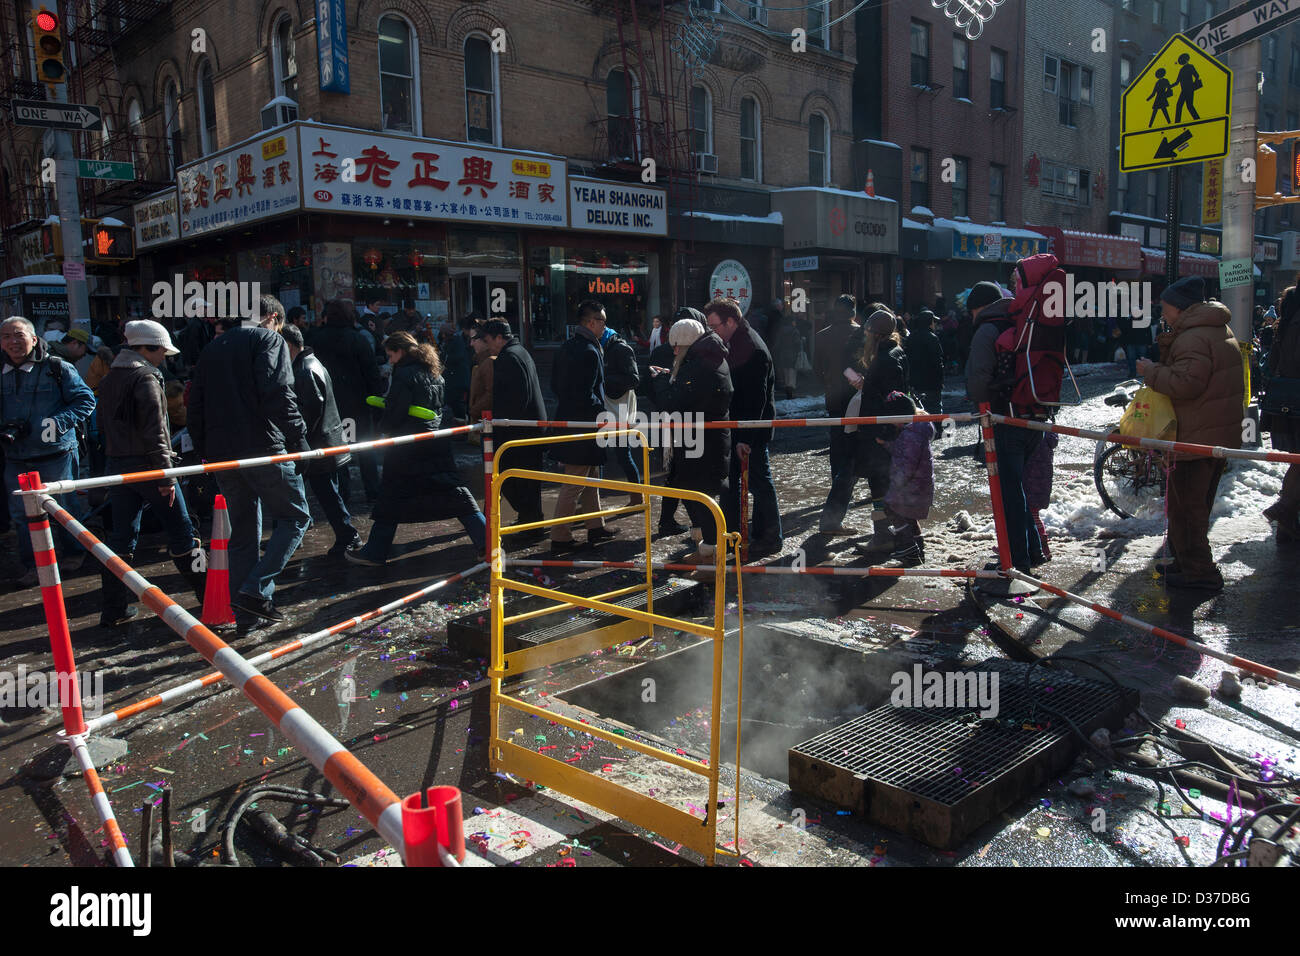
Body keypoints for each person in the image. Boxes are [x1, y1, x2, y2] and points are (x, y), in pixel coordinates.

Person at [186, 295, 312, 623]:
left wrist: (205, 453)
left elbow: (195, 405)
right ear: (273, 318)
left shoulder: (211, 348)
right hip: (264, 448)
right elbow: (278, 392)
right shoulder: (269, 339)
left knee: (242, 533)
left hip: (222, 455)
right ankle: (256, 591)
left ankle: (246, 616)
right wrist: (299, 438)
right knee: (295, 517)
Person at [96, 320, 206, 628]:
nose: (165, 358)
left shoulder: (109, 379)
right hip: (149, 467)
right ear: (150, 348)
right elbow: (156, 432)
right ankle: (209, 597)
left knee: (121, 539)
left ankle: (114, 608)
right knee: (183, 533)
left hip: (118, 468)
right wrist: (166, 478)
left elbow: (104, 428)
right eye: (162, 351)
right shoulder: (146, 377)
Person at [1136, 277, 1243, 591]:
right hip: (1212, 435)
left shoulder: (1193, 338)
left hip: (1195, 436)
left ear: (1181, 308)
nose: (1163, 313)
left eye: (1166, 307)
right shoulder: (1216, 330)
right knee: (1191, 505)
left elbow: (1186, 385)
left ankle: (1201, 572)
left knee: (1187, 509)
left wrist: (1151, 371)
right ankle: (1185, 563)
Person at [347, 332, 486, 565]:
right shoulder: (433, 372)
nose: (390, 360)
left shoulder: (404, 374)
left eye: (391, 355)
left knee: (391, 496)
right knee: (456, 494)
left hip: (406, 446)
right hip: (435, 442)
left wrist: (382, 425)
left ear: (400, 351)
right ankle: (487, 543)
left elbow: (396, 411)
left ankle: (375, 552)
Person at [1, 316, 97, 585]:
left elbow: (86, 400)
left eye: (19, 335)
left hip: (56, 454)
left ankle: (75, 553)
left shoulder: (56, 367)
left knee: (63, 508)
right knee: (21, 514)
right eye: (6, 336)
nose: (13, 342)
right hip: (14, 455)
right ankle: (33, 565)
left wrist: (58, 422)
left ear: (33, 338)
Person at [965, 278, 1046, 573]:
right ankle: (1033, 550)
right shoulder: (1021, 321)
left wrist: (980, 406)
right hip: (1032, 414)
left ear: (978, 308)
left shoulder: (987, 329)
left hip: (1003, 417)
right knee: (1017, 489)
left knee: (1008, 493)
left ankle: (1016, 561)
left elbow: (978, 379)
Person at [651, 316, 732, 564]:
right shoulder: (706, 357)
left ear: (686, 343)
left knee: (701, 495)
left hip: (701, 441)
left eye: (676, 345)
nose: (673, 350)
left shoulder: (699, 364)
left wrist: (661, 382)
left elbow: (675, 401)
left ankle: (710, 554)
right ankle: (706, 547)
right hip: (701, 439)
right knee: (694, 491)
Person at [281, 323, 362, 557]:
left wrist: (298, 436)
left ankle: (348, 535)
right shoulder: (309, 363)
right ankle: (344, 534)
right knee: (325, 493)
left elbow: (311, 409)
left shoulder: (305, 368)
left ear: (289, 345)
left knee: (327, 494)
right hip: (323, 443)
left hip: (319, 445)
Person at [709, 297, 781, 555]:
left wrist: (746, 439)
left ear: (731, 321)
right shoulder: (735, 341)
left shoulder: (751, 347)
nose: (712, 331)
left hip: (751, 431)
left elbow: (755, 400)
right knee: (740, 484)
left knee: (760, 483)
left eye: (714, 325)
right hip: (740, 427)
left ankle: (771, 537)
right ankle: (745, 535)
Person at [549, 300, 614, 553]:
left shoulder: (566, 347)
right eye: (602, 321)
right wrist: (600, 413)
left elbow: (555, 385)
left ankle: (595, 525)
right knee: (575, 481)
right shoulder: (589, 350)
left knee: (589, 476)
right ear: (590, 322)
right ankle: (560, 535)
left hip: (570, 421)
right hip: (583, 425)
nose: (604, 327)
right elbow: (587, 393)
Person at [848, 307, 910, 554]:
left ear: (875, 335)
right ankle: (892, 537)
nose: (865, 337)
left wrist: (883, 435)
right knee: (883, 487)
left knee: (880, 487)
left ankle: (886, 538)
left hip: (880, 436)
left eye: (867, 333)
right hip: (881, 433)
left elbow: (893, 400)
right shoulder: (894, 354)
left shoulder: (886, 361)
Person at [310, 299, 383, 503]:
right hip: (358, 405)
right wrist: (377, 406)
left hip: (329, 407)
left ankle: (342, 492)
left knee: (338, 449)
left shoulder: (317, 339)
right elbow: (371, 373)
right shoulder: (357, 339)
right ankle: (372, 490)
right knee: (365, 448)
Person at [482, 318, 547, 537]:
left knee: (513, 478)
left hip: (518, 429)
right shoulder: (520, 351)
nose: (487, 345)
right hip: (530, 426)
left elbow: (513, 400)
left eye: (489, 340)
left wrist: (500, 428)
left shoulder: (507, 358)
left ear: (499, 337)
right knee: (527, 479)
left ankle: (531, 523)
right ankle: (532, 521)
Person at [815, 294, 864, 534]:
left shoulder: (822, 335)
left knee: (837, 446)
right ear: (853, 312)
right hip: (858, 399)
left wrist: (829, 382)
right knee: (853, 453)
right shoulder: (862, 334)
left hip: (833, 398)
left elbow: (816, 368)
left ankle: (838, 482)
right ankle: (839, 501)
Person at [873, 392, 934, 567]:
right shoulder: (913, 431)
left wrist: (897, 484)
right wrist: (886, 444)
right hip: (918, 483)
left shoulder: (910, 434)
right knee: (909, 516)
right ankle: (918, 549)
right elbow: (902, 452)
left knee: (891, 508)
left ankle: (908, 548)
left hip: (910, 485)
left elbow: (907, 464)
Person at [1262, 285, 1300, 541]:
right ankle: (1285, 510)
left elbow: (1273, 362)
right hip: (1295, 399)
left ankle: (1287, 523)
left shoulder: (1287, 317)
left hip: (1288, 401)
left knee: (1297, 460)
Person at [601, 316, 642, 493]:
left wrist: (604, 379)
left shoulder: (620, 349)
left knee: (622, 455)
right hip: (606, 405)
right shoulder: (602, 346)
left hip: (619, 407)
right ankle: (592, 497)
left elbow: (634, 379)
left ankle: (637, 494)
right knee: (599, 453)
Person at [1024, 431, 1059, 562]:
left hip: (1029, 479)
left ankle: (1041, 546)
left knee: (1029, 514)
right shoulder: (1045, 433)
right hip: (1042, 481)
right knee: (1033, 514)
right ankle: (1042, 546)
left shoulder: (1029, 438)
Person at [906, 309, 945, 415]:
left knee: (920, 409)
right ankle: (937, 429)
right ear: (929, 323)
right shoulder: (932, 338)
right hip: (932, 382)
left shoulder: (911, 337)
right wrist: (940, 381)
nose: (935, 324)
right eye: (933, 321)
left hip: (915, 382)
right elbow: (938, 361)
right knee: (935, 409)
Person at [468, 320, 494, 429]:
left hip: (487, 421)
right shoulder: (481, 360)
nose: (471, 344)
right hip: (483, 420)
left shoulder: (489, 362)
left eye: (474, 339)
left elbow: (490, 395)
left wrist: (473, 412)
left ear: (485, 339)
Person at [772, 313, 802, 401]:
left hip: (783, 354)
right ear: (791, 322)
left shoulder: (781, 331)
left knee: (786, 373)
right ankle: (791, 392)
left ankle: (787, 392)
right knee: (792, 373)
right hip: (792, 354)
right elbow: (797, 343)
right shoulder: (795, 331)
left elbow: (778, 343)